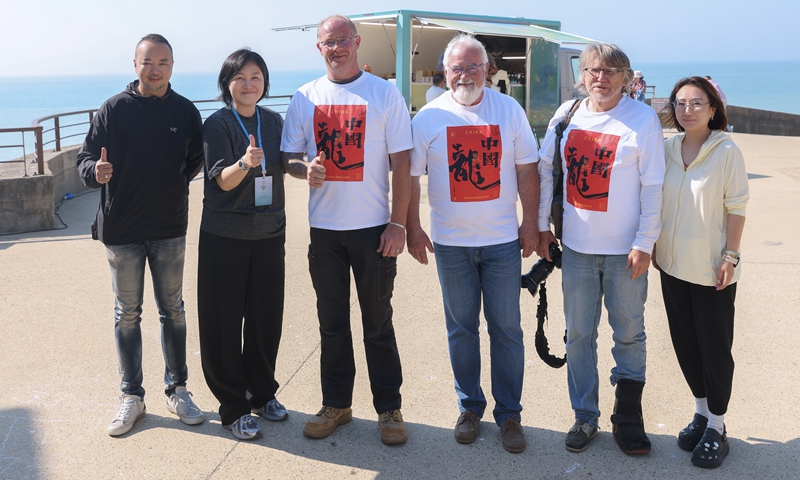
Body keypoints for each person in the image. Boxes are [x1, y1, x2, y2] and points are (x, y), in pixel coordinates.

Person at [280, 14, 411, 445]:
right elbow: (289, 158)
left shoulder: (383, 93)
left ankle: (389, 408)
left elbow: (403, 164)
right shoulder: (305, 96)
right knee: (331, 321)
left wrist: (398, 223)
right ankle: (336, 403)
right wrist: (306, 171)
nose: (335, 48)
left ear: (356, 42)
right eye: (327, 43)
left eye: (342, 40)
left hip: (373, 229)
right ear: (319, 49)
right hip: (325, 230)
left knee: (378, 321)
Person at [407, 34, 540, 454]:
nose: (465, 75)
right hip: (451, 244)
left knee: (507, 330)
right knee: (461, 329)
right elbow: (410, 177)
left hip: (501, 242)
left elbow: (527, 170)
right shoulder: (428, 118)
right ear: (445, 73)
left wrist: (530, 225)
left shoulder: (508, 110)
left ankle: (510, 414)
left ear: (489, 70)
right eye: (457, 68)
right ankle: (469, 407)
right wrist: (412, 226)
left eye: (473, 66)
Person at [537, 43, 665, 454]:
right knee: (578, 335)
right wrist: (542, 226)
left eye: (611, 71)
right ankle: (584, 417)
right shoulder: (567, 115)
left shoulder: (642, 119)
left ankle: (627, 419)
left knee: (628, 334)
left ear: (627, 78)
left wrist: (645, 242)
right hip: (575, 248)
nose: (601, 78)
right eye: (593, 70)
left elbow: (653, 185)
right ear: (583, 75)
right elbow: (546, 172)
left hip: (625, 250)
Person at [76, 34, 205, 436]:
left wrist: (168, 191)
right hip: (122, 229)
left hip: (169, 227)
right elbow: (85, 157)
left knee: (174, 310)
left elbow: (193, 162)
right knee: (126, 313)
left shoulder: (185, 111)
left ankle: (177, 388)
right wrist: (92, 173)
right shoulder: (113, 109)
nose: (155, 69)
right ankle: (132, 395)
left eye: (163, 62)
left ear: (172, 66)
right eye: (148, 61)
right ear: (135, 65)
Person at [653, 76, 748, 469]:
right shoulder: (667, 147)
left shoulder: (726, 151)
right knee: (686, 345)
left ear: (713, 110)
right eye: (680, 103)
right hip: (672, 265)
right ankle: (701, 412)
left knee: (714, 349)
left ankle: (719, 426)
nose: (687, 109)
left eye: (696, 103)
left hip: (712, 270)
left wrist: (731, 255)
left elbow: (737, 206)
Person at [198, 49, 289, 441]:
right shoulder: (217, 124)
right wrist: (246, 163)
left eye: (256, 76)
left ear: (265, 82)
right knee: (223, 322)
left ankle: (261, 391)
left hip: (270, 234)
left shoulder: (273, 121)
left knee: (266, 319)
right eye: (240, 78)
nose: (249, 84)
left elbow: (287, 164)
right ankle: (233, 406)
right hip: (225, 237)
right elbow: (222, 181)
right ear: (227, 84)